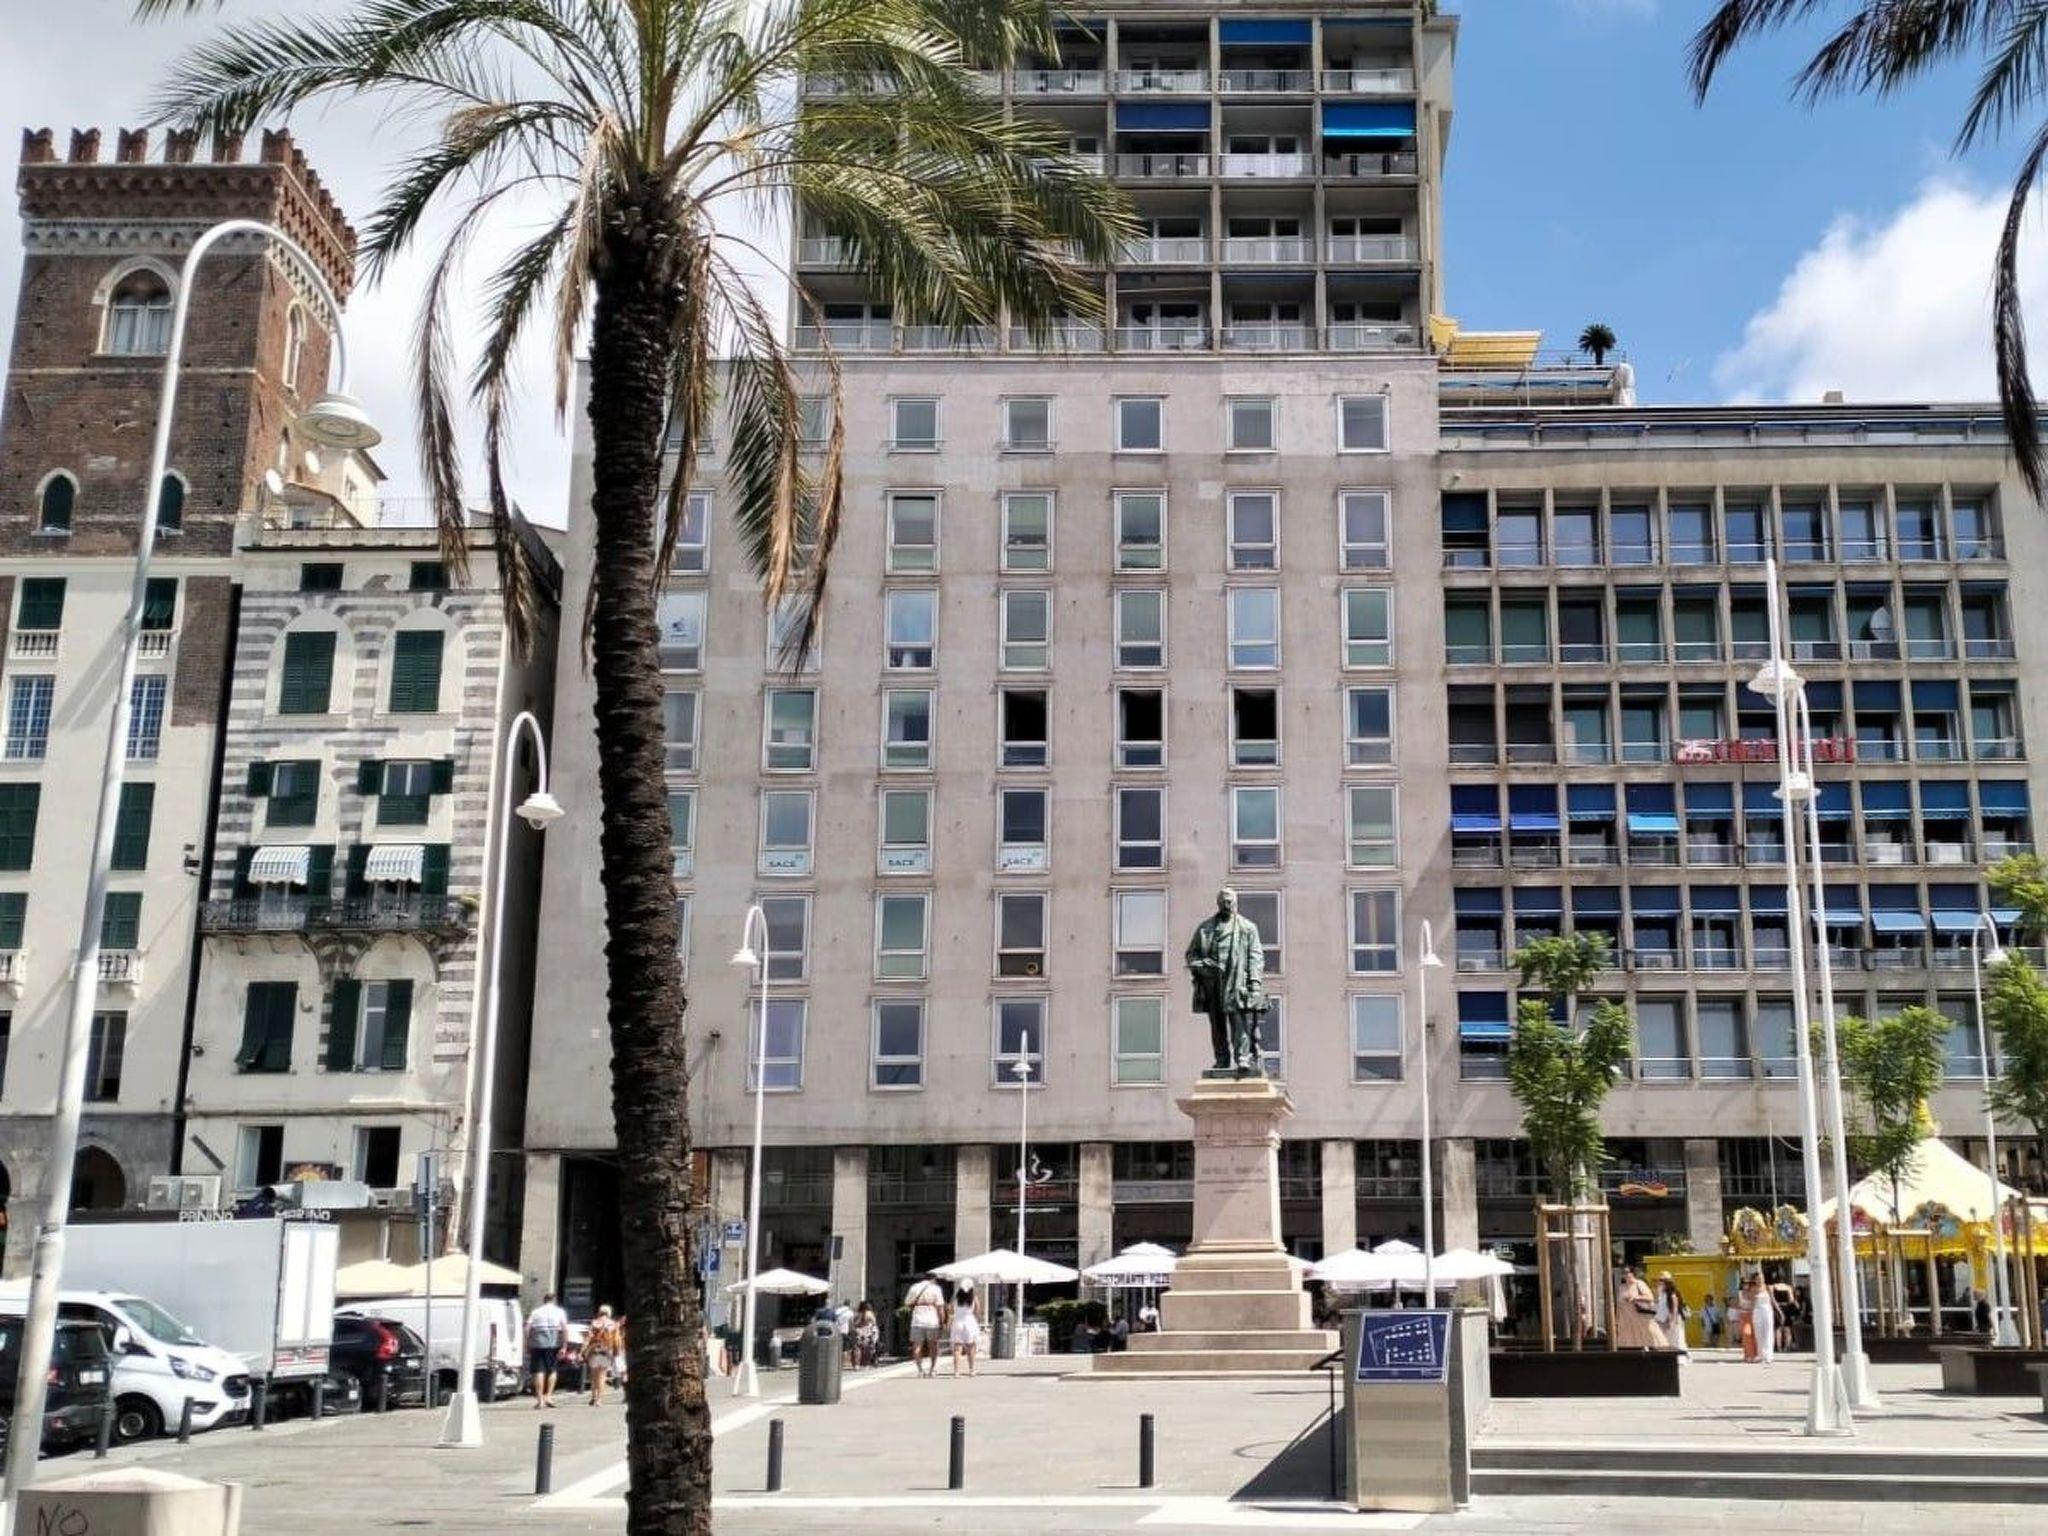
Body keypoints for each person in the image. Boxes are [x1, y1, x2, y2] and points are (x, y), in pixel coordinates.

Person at [525, 1291, 569, 1408]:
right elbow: (564, 1329)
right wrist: (564, 1346)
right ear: (554, 1300)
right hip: (553, 1343)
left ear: (544, 1300)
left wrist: (527, 1343)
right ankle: (548, 1396)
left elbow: (527, 1328)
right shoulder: (559, 1311)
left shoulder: (536, 1312)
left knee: (538, 1371)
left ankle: (540, 1400)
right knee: (552, 1370)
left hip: (538, 1343)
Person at [1613, 1267, 1667, 1351]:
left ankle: (1658, 1353)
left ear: (1633, 1273)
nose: (1625, 1275)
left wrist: (1636, 1297)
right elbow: (1618, 1305)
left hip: (1639, 1317)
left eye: (1627, 1272)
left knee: (1648, 1337)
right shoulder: (1621, 1287)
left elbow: (1650, 1297)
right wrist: (1617, 1319)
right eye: (1623, 1273)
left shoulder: (1639, 1284)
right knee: (1630, 1340)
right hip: (1626, 1319)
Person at [904, 1272, 948, 1378]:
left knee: (917, 1346)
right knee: (933, 1346)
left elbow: (907, 1302)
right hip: (932, 1320)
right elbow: (940, 1307)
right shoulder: (936, 1289)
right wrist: (942, 1321)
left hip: (917, 1320)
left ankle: (920, 1370)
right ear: (933, 1279)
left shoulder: (914, 1287)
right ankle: (932, 1369)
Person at [585, 1305, 623, 1407]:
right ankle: (599, 1399)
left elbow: (588, 1337)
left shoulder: (594, 1323)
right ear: (609, 1313)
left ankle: (593, 1397)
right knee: (602, 1376)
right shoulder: (613, 1324)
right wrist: (617, 1351)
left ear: (599, 1312)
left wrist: (583, 1350)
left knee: (593, 1376)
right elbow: (617, 1340)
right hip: (606, 1350)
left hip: (594, 1350)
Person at [948, 1284, 981, 1377]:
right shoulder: (974, 1298)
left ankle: (956, 1371)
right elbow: (978, 1311)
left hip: (958, 1322)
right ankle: (971, 1370)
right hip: (970, 1322)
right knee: (971, 1348)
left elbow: (951, 1311)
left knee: (957, 1348)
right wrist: (977, 1321)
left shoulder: (955, 1299)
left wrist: (949, 1322)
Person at [1653, 1273, 1689, 1357]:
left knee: (1677, 1338)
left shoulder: (1672, 1294)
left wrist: (1672, 1321)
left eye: (1661, 1281)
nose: (1659, 1283)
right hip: (1664, 1320)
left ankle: (1682, 1357)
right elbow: (1660, 1307)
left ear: (1667, 1283)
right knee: (1668, 1339)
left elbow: (1674, 1309)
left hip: (1673, 1319)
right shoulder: (1662, 1294)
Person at [1750, 1275, 1778, 1364]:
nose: (1759, 1280)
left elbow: (1773, 1300)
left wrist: (1779, 1311)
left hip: (1767, 1311)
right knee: (1759, 1333)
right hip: (1757, 1312)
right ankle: (1761, 1355)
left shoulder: (1768, 1288)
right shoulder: (1753, 1289)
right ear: (1755, 1280)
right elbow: (1752, 1302)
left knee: (1768, 1332)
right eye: (1757, 1279)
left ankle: (1769, 1355)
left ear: (1764, 1279)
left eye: (1761, 1279)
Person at [853, 1302, 880, 1368]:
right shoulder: (870, 1313)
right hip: (868, 1332)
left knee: (858, 1348)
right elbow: (874, 1323)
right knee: (868, 1349)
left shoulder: (858, 1314)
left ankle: (857, 1364)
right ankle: (866, 1364)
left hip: (859, 1332)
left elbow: (855, 1323)